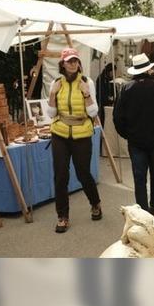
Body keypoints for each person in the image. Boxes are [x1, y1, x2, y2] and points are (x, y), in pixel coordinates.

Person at [114, 53, 154, 214]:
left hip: (136, 140)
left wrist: (127, 134)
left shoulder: (126, 89)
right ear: (149, 69)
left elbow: (117, 117)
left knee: (139, 176)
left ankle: (142, 209)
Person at [48, 48, 102, 233]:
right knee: (60, 175)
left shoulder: (88, 82)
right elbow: (51, 113)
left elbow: (93, 113)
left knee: (83, 173)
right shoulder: (56, 83)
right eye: (69, 61)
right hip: (60, 133)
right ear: (62, 64)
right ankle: (62, 216)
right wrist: (52, 95)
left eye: (75, 61)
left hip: (82, 133)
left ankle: (95, 203)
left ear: (79, 63)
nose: (73, 64)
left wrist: (86, 94)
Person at [95, 63, 115, 128]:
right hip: (101, 103)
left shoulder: (111, 79)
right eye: (113, 71)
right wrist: (108, 98)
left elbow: (113, 90)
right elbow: (101, 92)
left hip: (108, 103)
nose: (114, 74)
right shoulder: (101, 78)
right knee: (102, 119)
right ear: (110, 71)